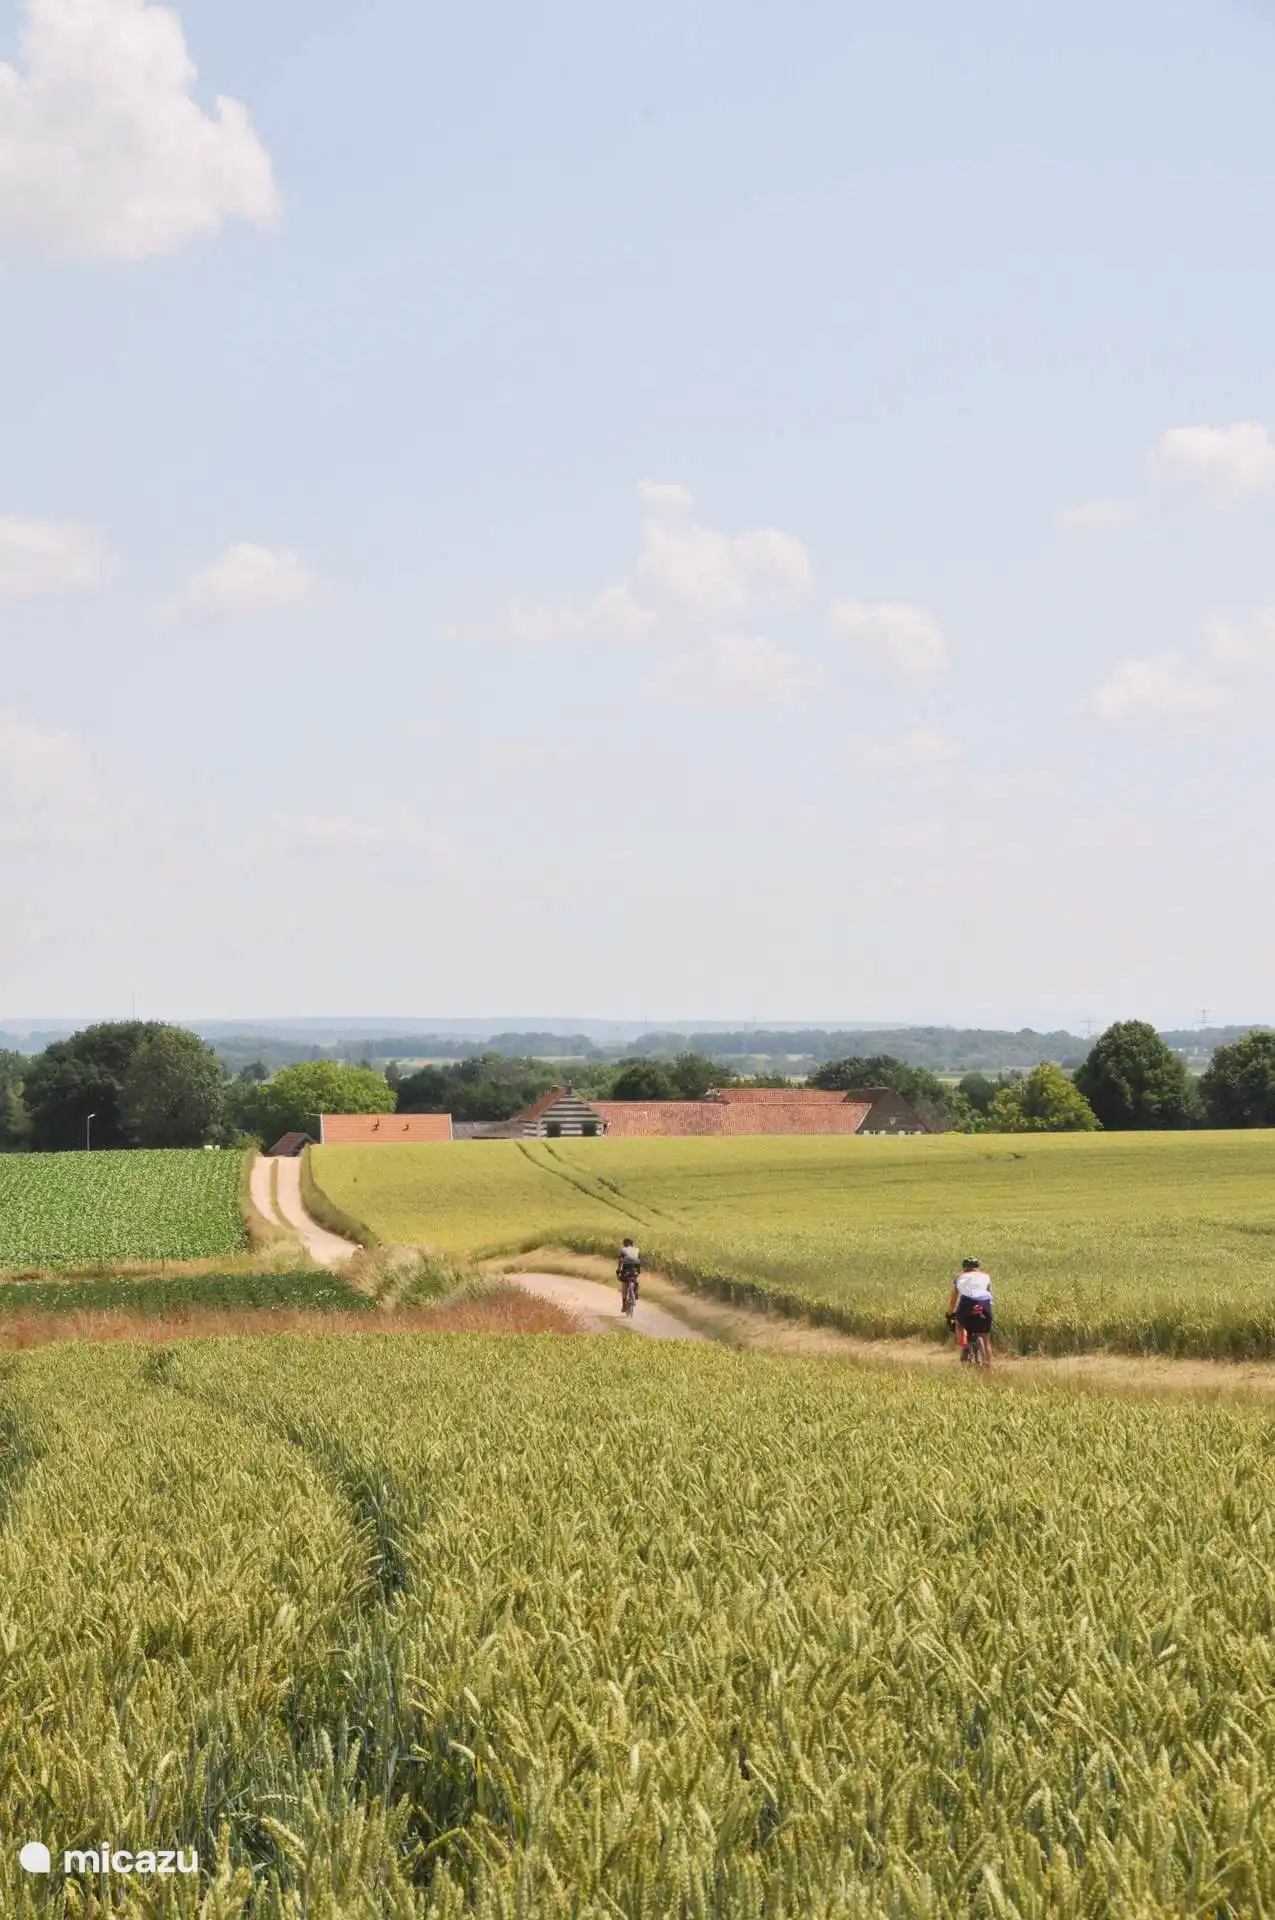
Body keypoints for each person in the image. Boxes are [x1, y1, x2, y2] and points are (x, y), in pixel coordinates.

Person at [946, 1257, 993, 1363]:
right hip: (985, 1303)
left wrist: (949, 1313)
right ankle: (989, 1369)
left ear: (964, 1268)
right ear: (978, 1267)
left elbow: (953, 1300)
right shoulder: (986, 1276)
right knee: (986, 1340)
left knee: (959, 1324)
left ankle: (964, 1346)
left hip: (967, 1302)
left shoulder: (958, 1277)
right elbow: (990, 1295)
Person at [617, 1237, 641, 1304]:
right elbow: (639, 1259)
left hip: (626, 1266)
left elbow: (620, 1261)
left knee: (624, 1283)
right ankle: (636, 1291)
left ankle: (624, 1303)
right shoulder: (637, 1249)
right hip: (636, 1265)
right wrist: (638, 1270)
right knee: (636, 1276)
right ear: (632, 1244)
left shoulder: (623, 1249)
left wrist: (618, 1270)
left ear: (625, 1244)